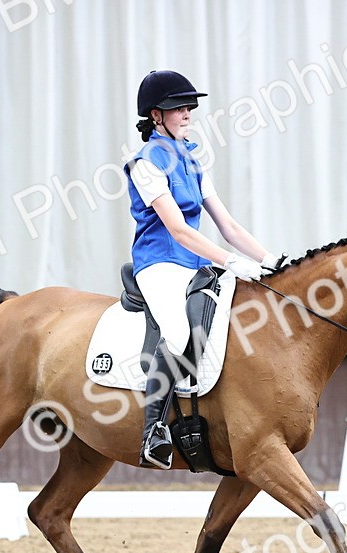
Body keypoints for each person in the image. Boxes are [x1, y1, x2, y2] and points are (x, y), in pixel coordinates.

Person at [125, 70, 280, 469]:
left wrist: (271, 261)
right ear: (156, 115)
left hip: (194, 264)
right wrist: (230, 262)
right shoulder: (146, 164)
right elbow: (177, 229)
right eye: (179, 107)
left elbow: (228, 226)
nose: (188, 113)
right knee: (178, 333)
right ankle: (153, 431)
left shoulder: (192, 156)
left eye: (190, 106)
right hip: (158, 263)